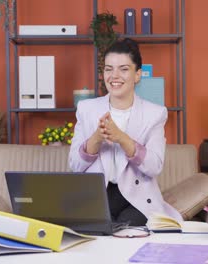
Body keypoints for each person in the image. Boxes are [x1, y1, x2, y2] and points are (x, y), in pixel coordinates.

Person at [69, 38, 181, 226]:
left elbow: (154, 167)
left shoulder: (155, 114)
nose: (114, 76)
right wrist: (96, 139)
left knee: (126, 228)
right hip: (98, 196)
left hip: (136, 198)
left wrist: (122, 138)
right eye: (108, 69)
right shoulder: (86, 109)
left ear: (137, 75)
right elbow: (75, 165)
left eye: (124, 69)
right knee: (98, 228)